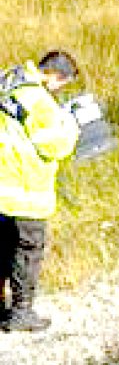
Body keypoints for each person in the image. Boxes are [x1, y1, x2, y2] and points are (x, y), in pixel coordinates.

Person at [0, 50, 80, 332]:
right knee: (27, 251)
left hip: (2, 186)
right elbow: (54, 146)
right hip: (25, 191)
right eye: (63, 85)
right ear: (56, 76)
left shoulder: (8, 82)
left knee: (2, 248)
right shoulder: (39, 100)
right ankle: (21, 313)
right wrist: (70, 125)